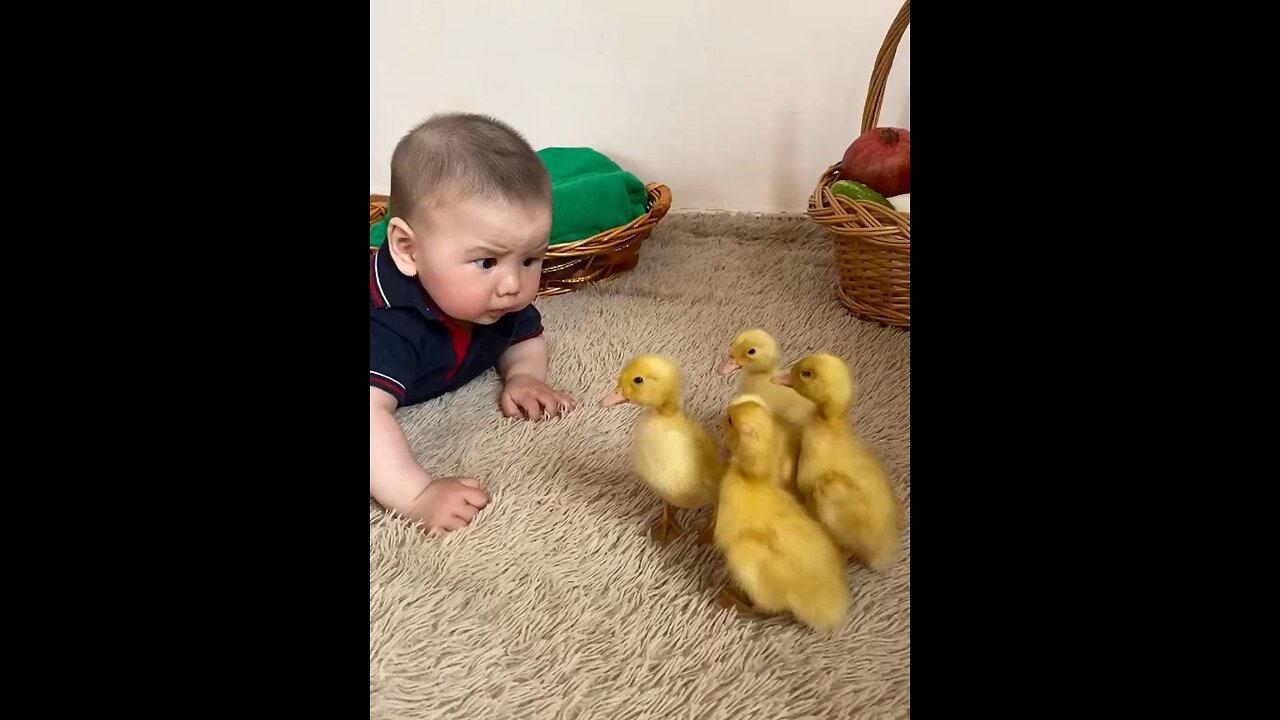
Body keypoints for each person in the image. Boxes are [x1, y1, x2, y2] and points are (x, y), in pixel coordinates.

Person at [370, 112, 577, 536]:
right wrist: (418, 494)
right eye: (487, 261)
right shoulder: (386, 320)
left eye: (530, 259)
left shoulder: (496, 300)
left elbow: (524, 339)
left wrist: (524, 377)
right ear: (409, 250)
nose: (513, 285)